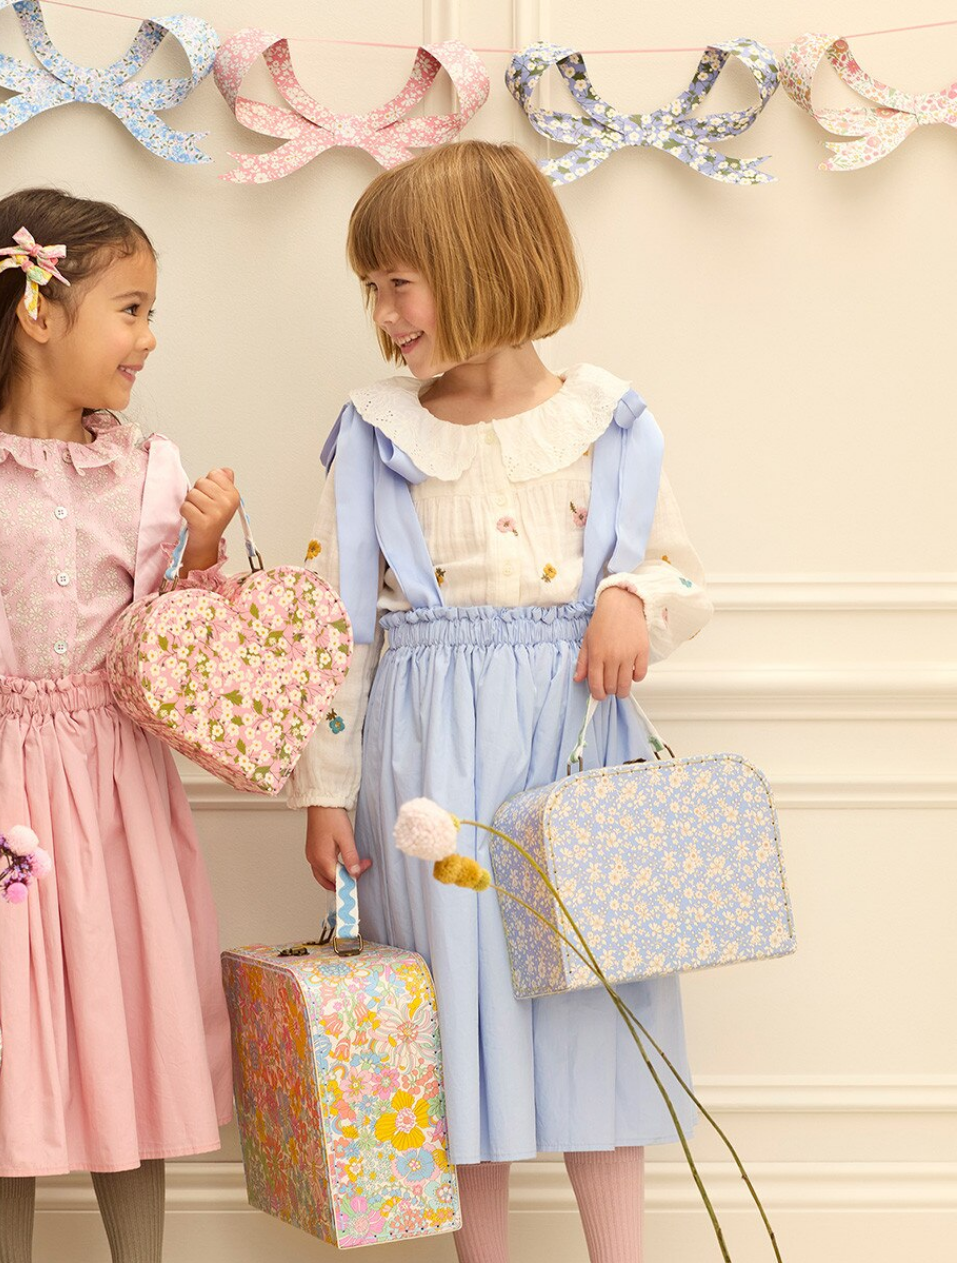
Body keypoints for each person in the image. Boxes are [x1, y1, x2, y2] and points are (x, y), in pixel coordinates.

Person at [289, 141, 714, 1263]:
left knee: (592, 1008)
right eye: (371, 287)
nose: (383, 313)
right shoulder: (376, 431)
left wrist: (626, 595)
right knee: (454, 1025)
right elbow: (336, 628)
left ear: (484, 263)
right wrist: (324, 790)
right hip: (426, 763)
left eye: (399, 282)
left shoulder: (610, 421)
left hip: (574, 749)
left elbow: (682, 578)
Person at [0, 187, 236, 1263]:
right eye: (131, 309)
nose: (148, 337)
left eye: (150, 312)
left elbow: (173, 652)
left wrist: (204, 554)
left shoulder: (148, 469)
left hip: (116, 787)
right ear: (36, 312)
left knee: (130, 1030)